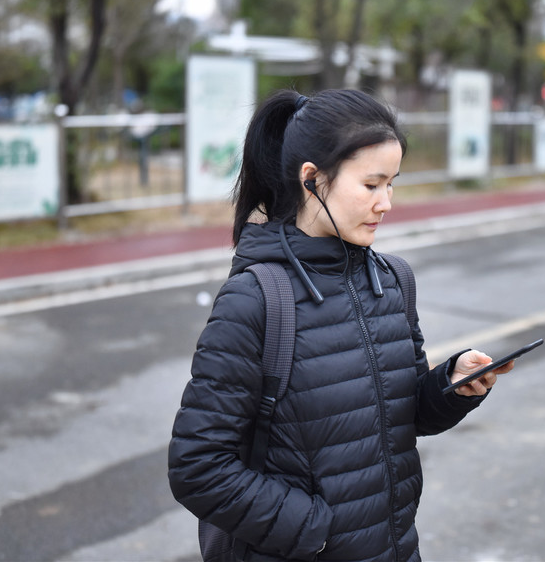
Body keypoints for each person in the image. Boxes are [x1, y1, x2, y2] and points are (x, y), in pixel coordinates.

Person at [168, 88, 514, 561]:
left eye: (392, 183)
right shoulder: (256, 300)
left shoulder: (392, 280)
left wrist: (451, 386)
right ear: (312, 179)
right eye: (371, 185)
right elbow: (197, 467)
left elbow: (402, 416)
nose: (386, 203)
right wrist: (315, 532)